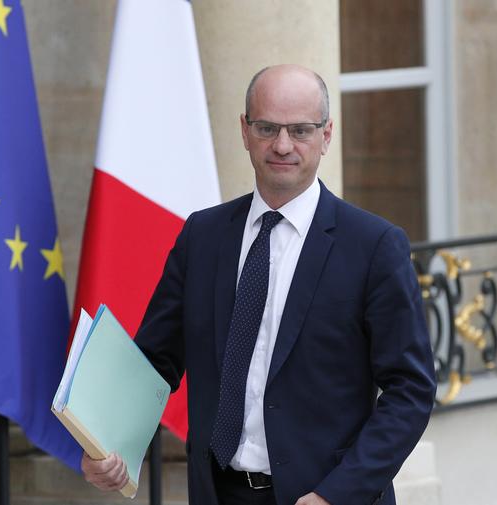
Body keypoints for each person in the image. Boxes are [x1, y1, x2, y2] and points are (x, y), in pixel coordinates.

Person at [81, 64, 436, 505]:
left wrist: (337, 495)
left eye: (300, 130)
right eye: (267, 127)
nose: (282, 145)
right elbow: (154, 362)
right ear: (245, 131)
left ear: (327, 135)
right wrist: (106, 444)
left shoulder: (374, 246)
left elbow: (411, 391)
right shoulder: (202, 236)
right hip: (218, 493)